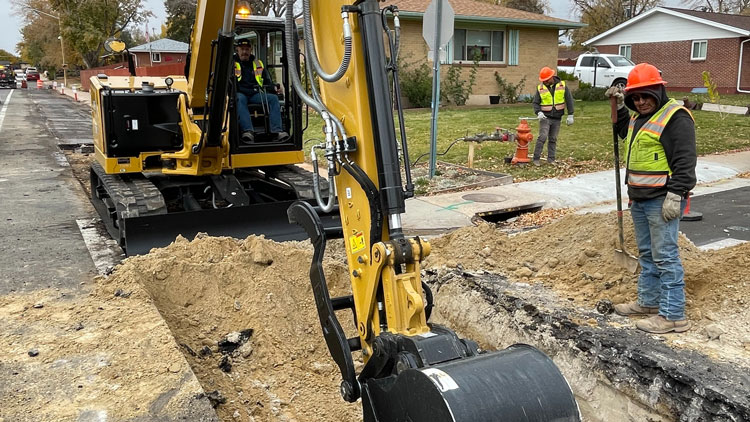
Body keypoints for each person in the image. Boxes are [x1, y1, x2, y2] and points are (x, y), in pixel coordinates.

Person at [608, 63, 697, 334]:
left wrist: (677, 193)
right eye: (635, 97)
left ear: (658, 90)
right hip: (640, 197)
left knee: (665, 256)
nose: (641, 101)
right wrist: (620, 107)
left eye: (645, 95)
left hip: (662, 199)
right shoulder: (640, 117)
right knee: (647, 254)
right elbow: (624, 132)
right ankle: (649, 302)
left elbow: (685, 159)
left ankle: (673, 315)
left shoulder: (675, 118)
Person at [234, 38, 288, 143]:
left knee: (273, 99)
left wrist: (275, 88)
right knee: (239, 99)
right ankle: (248, 131)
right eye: (242, 49)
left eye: (247, 49)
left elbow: (266, 81)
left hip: (255, 94)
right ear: (237, 50)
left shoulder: (257, 64)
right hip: (240, 93)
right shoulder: (232, 64)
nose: (245, 52)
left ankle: (277, 131)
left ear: (250, 50)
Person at [531, 66, 575, 166]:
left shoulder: (562, 85)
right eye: (544, 81)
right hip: (545, 117)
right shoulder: (541, 88)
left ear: (551, 77)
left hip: (557, 118)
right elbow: (535, 103)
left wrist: (570, 114)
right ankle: (536, 158)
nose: (545, 82)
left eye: (546, 80)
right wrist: (538, 112)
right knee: (542, 137)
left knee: (553, 139)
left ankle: (551, 159)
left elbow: (569, 100)